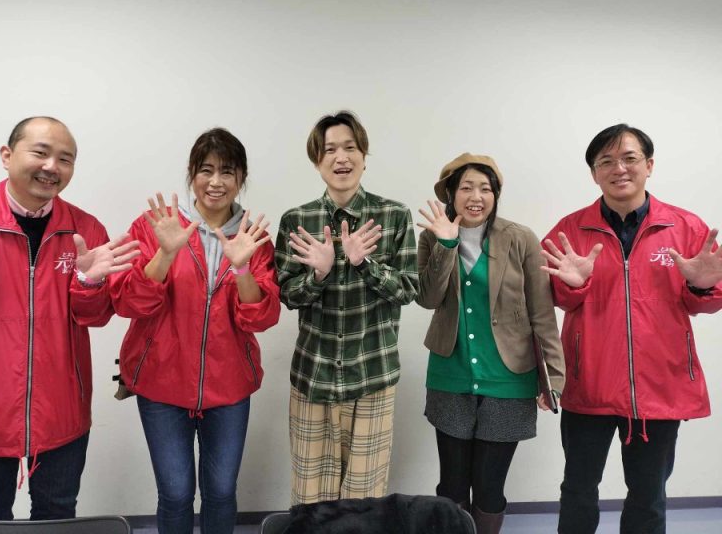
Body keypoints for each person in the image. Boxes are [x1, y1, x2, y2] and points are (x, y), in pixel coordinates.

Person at [0, 116, 140, 520]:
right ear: (7, 156)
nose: (52, 167)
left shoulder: (84, 229)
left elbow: (95, 317)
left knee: (57, 514)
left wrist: (88, 282)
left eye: (65, 159)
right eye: (41, 152)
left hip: (61, 408)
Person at [540, 124, 722, 534]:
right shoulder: (570, 230)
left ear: (649, 165)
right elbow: (550, 298)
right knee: (578, 490)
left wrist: (701, 285)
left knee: (649, 494)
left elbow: (705, 302)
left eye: (629, 158)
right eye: (606, 161)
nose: (618, 168)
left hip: (659, 385)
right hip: (588, 383)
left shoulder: (685, 227)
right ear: (594, 173)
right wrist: (572, 285)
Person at [109, 128, 280, 534]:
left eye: (227, 171)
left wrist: (241, 267)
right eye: (206, 170)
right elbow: (128, 302)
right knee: (175, 493)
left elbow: (260, 318)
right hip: (161, 384)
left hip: (229, 387)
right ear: (192, 174)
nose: (216, 182)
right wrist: (166, 254)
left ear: (241, 178)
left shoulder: (252, 239)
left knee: (221, 492)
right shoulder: (155, 226)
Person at [274, 110, 419, 506]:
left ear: (364, 156)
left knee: (364, 504)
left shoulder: (394, 216)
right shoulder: (297, 220)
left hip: (372, 376)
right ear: (317, 161)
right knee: (311, 501)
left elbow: (408, 290)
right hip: (313, 378)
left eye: (350, 148)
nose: (341, 158)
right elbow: (287, 296)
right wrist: (318, 275)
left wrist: (364, 263)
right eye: (330, 150)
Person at [416, 153, 565, 534]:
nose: (476, 196)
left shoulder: (521, 238)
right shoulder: (432, 236)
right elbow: (428, 298)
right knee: (451, 487)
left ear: (496, 195)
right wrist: (445, 245)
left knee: (489, 488)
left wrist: (553, 377)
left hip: (509, 379)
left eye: (485, 188)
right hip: (450, 374)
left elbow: (542, 312)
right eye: (466, 187)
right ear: (451, 193)